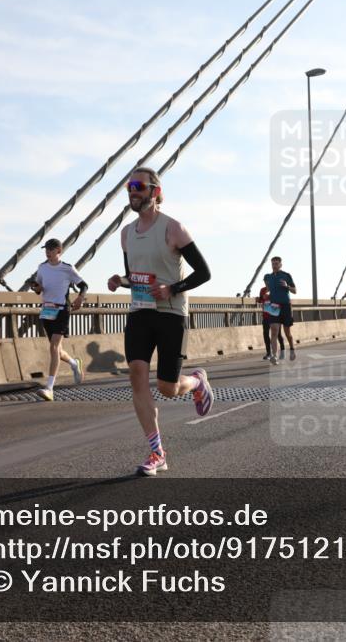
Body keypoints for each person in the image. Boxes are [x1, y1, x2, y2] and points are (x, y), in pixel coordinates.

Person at [107, 167, 213, 476]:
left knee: (167, 388)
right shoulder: (126, 234)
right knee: (137, 374)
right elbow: (136, 274)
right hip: (140, 312)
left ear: (155, 191)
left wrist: (172, 289)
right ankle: (157, 452)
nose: (132, 192)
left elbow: (203, 273)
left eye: (138, 186)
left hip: (171, 314)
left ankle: (196, 382)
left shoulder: (174, 229)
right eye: (129, 187)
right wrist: (121, 280)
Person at [30, 238, 86, 401]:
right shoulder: (42, 268)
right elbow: (38, 287)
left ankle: (49, 388)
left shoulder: (67, 269)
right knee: (58, 351)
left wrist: (80, 298)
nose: (47, 252)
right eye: (46, 249)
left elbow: (84, 285)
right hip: (47, 310)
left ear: (59, 251)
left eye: (50, 249)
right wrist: (36, 287)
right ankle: (75, 364)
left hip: (62, 310)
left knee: (53, 347)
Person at [257, 284, 285, 360]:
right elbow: (260, 300)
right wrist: (259, 299)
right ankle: (269, 353)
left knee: (278, 334)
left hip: (275, 316)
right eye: (265, 281)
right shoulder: (262, 290)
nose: (266, 282)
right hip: (266, 316)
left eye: (268, 281)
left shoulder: (275, 290)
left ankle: (282, 350)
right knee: (266, 334)